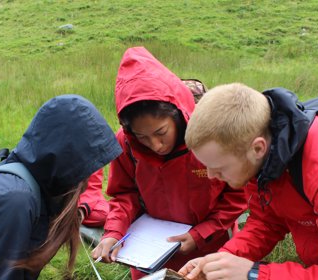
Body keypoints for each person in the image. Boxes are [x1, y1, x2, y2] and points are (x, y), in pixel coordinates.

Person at [91, 47, 247, 279]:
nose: (155, 145)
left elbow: (238, 195)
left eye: (161, 132)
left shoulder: (209, 137)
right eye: (142, 137)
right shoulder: (126, 144)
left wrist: (200, 234)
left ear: (177, 114)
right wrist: (114, 231)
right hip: (149, 256)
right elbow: (124, 195)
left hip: (210, 249)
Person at [179, 83, 318, 279]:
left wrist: (254, 274)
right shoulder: (263, 153)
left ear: (258, 148)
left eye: (219, 167)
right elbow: (267, 221)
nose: (210, 175)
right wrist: (222, 260)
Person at [0, 94, 122, 279]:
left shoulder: (28, 185)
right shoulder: (14, 201)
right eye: (85, 172)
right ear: (65, 162)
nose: (85, 185)